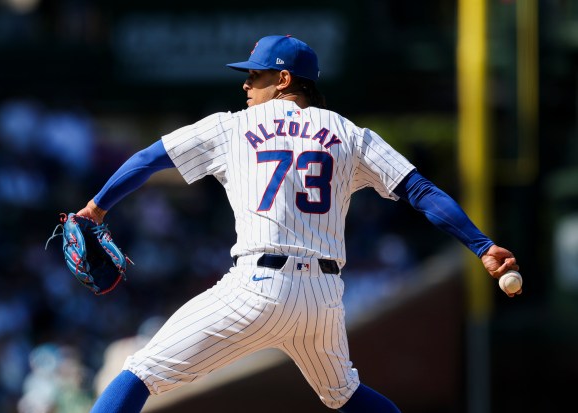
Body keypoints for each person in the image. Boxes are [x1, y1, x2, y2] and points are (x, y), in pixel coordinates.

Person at [77, 34, 521, 413]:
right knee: (344, 395)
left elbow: (147, 160)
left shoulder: (231, 128)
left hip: (256, 287)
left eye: (255, 75)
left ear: (284, 79)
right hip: (322, 299)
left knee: (139, 371)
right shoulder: (351, 134)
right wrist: (482, 246)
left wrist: (95, 208)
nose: (246, 84)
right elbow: (421, 192)